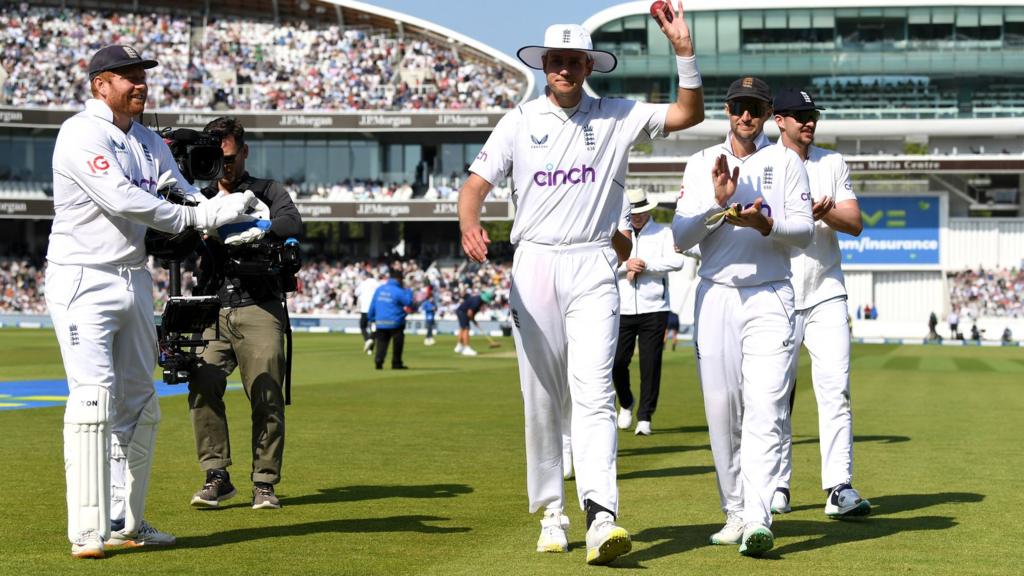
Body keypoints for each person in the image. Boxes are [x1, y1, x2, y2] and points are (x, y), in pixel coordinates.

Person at [458, 4, 704, 564]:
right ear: (545, 64)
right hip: (535, 264)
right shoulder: (519, 120)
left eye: (575, 61)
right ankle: (552, 513)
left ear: (588, 66)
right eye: (557, 61)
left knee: (593, 392)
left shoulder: (619, 114)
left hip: (594, 262)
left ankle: (602, 515)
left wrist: (683, 50)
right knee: (543, 396)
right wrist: (470, 224)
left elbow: (689, 113)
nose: (565, 69)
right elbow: (474, 184)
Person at [47, 45, 256, 559]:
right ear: (101, 84)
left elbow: (180, 191)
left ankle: (127, 521)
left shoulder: (145, 141)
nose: (140, 84)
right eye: (130, 77)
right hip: (82, 278)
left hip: (133, 278)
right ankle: (86, 532)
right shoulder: (81, 133)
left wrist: (231, 219)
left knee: (140, 406)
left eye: (143, 76)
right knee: (93, 400)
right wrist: (198, 219)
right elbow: (120, 197)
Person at [672, 76, 813, 557]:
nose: (746, 116)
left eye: (755, 107)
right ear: (728, 111)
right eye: (738, 107)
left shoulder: (786, 162)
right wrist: (716, 204)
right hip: (716, 295)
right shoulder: (700, 164)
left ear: (769, 113)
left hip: (770, 293)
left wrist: (764, 222)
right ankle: (734, 512)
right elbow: (679, 237)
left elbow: (804, 233)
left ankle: (758, 516)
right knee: (721, 411)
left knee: (767, 407)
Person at [187, 116, 303, 511]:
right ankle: (216, 475)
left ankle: (265, 482)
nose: (225, 166)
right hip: (211, 306)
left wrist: (260, 226)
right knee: (202, 384)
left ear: (244, 152)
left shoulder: (267, 190)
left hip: (258, 303)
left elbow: (292, 221)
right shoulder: (198, 197)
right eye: (217, 159)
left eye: (231, 158)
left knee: (267, 393)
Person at [768, 88, 871, 521]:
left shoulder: (832, 162)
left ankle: (839, 488)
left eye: (811, 115)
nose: (807, 122)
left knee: (836, 391)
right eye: (798, 115)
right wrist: (797, 218)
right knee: (774, 396)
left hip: (827, 289)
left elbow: (855, 223)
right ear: (779, 121)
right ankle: (775, 485)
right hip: (777, 290)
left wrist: (824, 213)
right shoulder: (762, 163)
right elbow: (757, 224)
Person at [613, 188, 686, 436]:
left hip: (654, 307)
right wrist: (626, 266)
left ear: (648, 211)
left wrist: (644, 265)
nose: (636, 217)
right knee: (617, 363)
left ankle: (645, 416)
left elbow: (677, 262)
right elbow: (605, 263)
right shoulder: (617, 233)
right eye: (632, 213)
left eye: (640, 212)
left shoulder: (664, 232)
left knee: (650, 364)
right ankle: (626, 402)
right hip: (621, 308)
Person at [367, 267, 414, 369]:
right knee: (397, 343)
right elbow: (408, 302)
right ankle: (396, 363)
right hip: (395, 322)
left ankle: (379, 360)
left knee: (382, 342)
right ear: (399, 279)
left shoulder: (379, 290)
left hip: (381, 322)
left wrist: (370, 318)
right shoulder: (398, 291)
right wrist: (409, 290)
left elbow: (373, 305)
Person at [454, 289, 492, 357]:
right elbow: (469, 312)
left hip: (461, 311)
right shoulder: (477, 301)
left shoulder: (479, 300)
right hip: (463, 312)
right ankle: (466, 348)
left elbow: (471, 312)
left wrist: (474, 321)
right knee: (466, 329)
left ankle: (459, 346)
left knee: (462, 328)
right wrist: (474, 321)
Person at [356, 270, 383, 354]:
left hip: (364, 309)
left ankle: (367, 340)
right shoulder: (376, 283)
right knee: (373, 327)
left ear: (365, 276)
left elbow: (356, 293)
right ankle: (370, 348)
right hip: (374, 309)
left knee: (363, 326)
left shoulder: (362, 283)